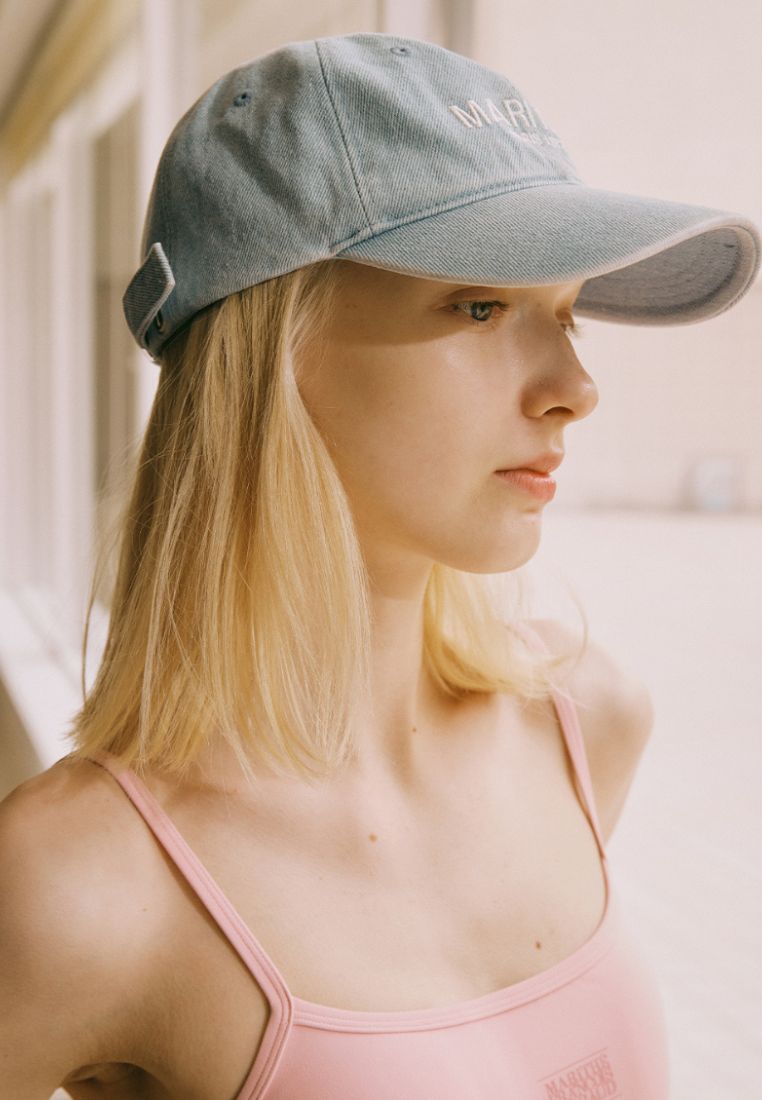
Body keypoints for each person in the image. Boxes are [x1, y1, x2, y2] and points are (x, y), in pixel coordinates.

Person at [1, 31, 759, 1100]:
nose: (574, 386)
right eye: (481, 304)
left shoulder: (589, 723)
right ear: (272, 352)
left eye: (568, 311)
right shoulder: (82, 884)